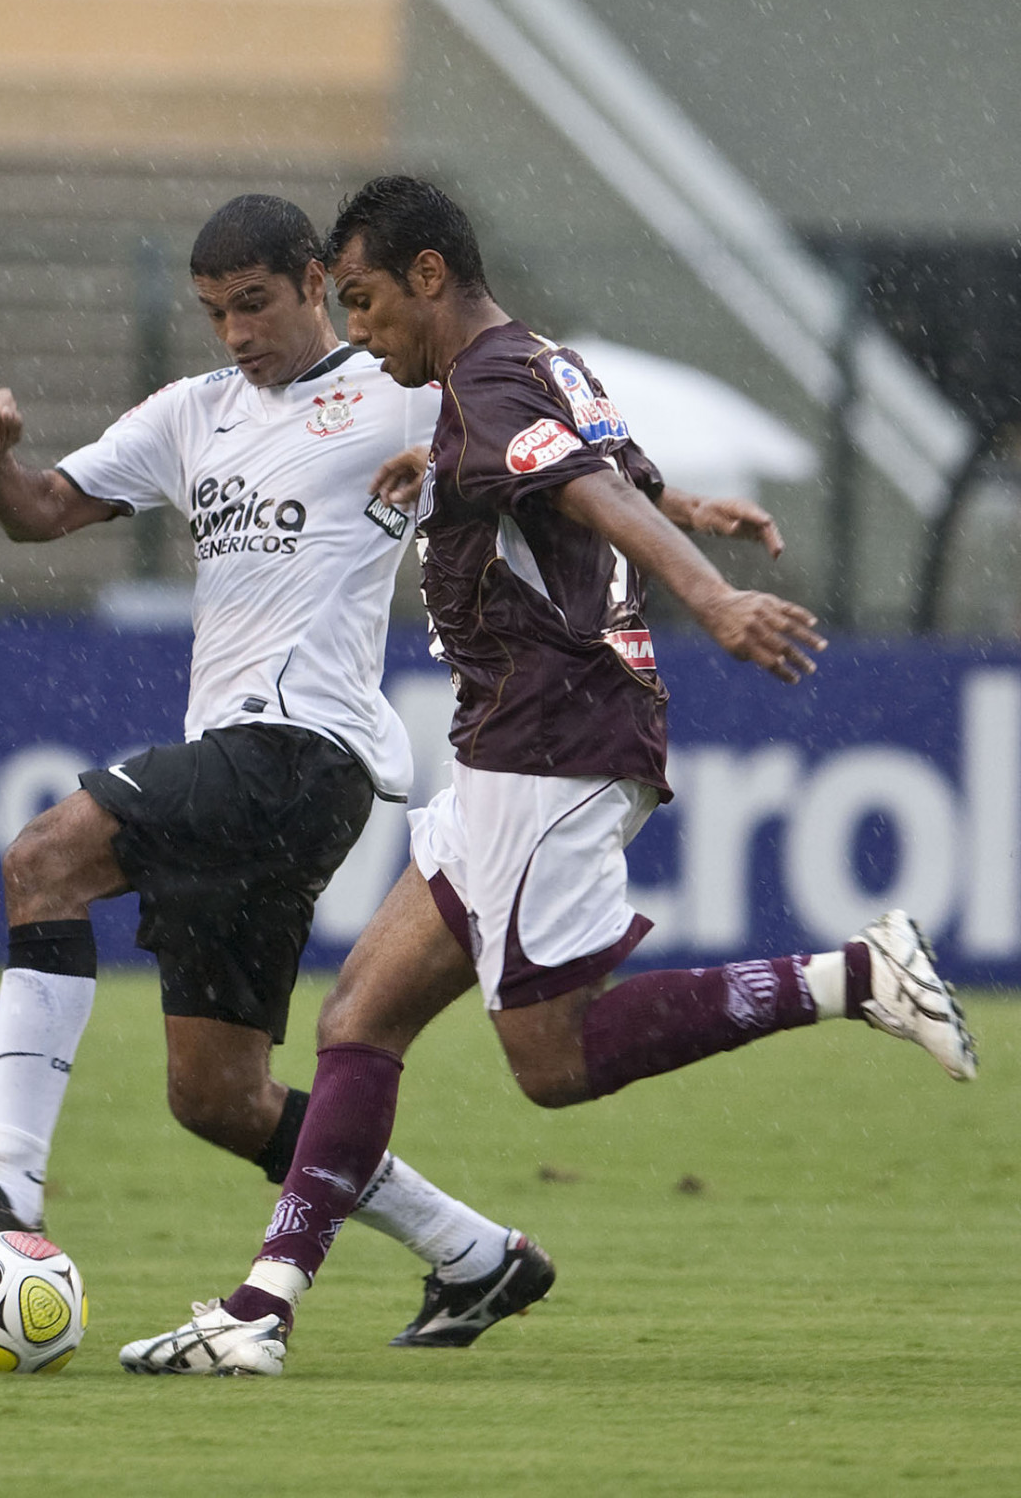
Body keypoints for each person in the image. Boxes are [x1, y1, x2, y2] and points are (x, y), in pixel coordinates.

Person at [119, 175, 977, 1379]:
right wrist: (493, 480)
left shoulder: (491, 381)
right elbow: (596, 461)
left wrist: (709, 592)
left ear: (428, 275)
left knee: (551, 1062)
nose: (358, 331)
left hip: (550, 737)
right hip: (510, 743)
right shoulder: (529, 364)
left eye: (364, 299)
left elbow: (587, 485)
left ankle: (852, 974)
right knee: (360, 1017)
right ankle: (260, 1309)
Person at [0, 192, 556, 1350]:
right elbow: (44, 511)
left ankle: (6, 1186)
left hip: (306, 750)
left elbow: (540, 428)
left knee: (42, 860)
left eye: (254, 303)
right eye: (213, 313)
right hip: (245, 766)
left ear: (314, 280)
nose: (236, 333)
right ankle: (477, 1252)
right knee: (217, 1097)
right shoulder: (192, 413)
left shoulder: (397, 388)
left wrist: (666, 507)